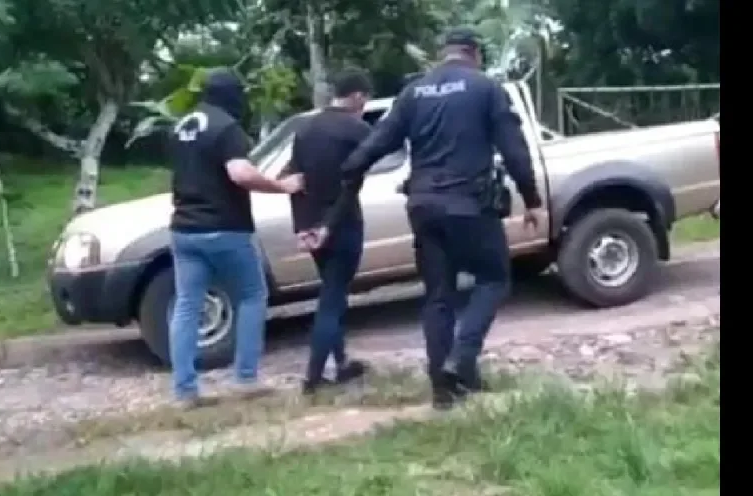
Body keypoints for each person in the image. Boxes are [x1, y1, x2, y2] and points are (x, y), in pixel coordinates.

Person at [306, 28, 543, 410]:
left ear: (443, 53)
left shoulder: (413, 93)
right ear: (475, 54)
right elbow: (514, 150)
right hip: (470, 205)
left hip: (423, 207)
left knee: (438, 296)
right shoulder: (485, 88)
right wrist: (531, 199)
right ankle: (461, 359)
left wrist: (345, 172)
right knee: (494, 278)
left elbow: (375, 143)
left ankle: (443, 391)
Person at [168, 68, 304, 409]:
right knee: (251, 295)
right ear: (232, 94)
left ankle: (185, 390)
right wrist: (281, 186)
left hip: (183, 228)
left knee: (187, 306)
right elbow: (240, 173)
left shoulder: (181, 125)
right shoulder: (226, 128)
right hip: (224, 227)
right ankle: (246, 378)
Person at [285, 69, 374, 394]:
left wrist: (304, 228)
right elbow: (351, 186)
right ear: (358, 97)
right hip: (343, 223)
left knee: (332, 291)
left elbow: (296, 181)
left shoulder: (304, 126)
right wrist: (328, 226)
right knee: (333, 298)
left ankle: (341, 364)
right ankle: (312, 377)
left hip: (312, 225)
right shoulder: (358, 129)